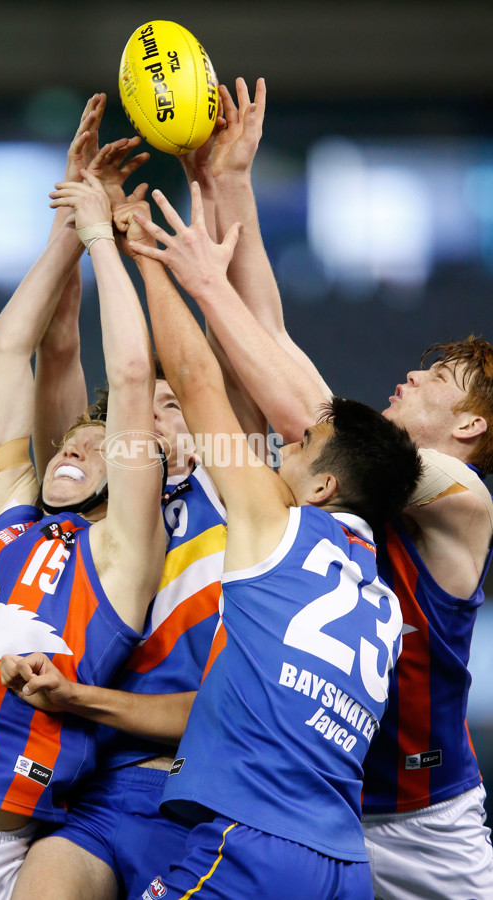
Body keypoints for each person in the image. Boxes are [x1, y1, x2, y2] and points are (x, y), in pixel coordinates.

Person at [136, 77, 493, 900]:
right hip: (322, 803)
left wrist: (202, 282)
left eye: (439, 376)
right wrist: (229, 183)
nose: (413, 372)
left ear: (470, 427)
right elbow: (275, 338)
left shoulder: (460, 495)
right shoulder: (364, 464)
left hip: (425, 816)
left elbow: (300, 404)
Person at [0, 112, 166, 897]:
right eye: (71, 438)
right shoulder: (2, 514)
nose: (76, 446)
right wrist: (66, 229)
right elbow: (8, 349)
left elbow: (136, 377)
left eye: (98, 442)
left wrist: (106, 239)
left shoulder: (120, 556)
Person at [126, 180, 422, 900]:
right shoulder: (381, 596)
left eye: (299, 445)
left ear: (323, 486)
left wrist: (149, 258)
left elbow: (195, 380)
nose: (280, 452)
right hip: (344, 865)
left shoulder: (277, 524)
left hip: (252, 842)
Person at [1, 141, 231, 900]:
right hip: (102, 789)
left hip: (215, 791)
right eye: (148, 406)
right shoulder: (96, 495)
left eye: (179, 406)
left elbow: (224, 348)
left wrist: (214, 191)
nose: (161, 415)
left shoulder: (238, 497)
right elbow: (60, 352)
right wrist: (77, 214)